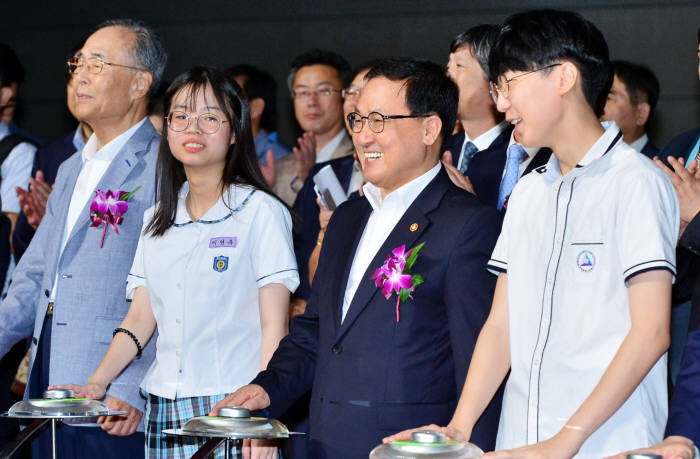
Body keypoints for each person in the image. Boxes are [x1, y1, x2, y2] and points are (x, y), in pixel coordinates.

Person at [386, 10, 677, 458]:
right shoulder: (528, 192)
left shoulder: (636, 182)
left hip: (609, 442)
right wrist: (459, 427)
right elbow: (501, 325)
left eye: (508, 84)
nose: (501, 105)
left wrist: (567, 439)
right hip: (521, 443)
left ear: (563, 77)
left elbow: (653, 331)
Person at [213, 57, 503, 459]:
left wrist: (475, 450)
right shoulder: (348, 216)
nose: (365, 136)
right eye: (358, 121)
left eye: (380, 120)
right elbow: (317, 330)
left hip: (406, 448)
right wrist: (267, 388)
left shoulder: (467, 225)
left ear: (430, 128)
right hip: (325, 440)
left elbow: (481, 357)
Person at [53, 66, 298, 459]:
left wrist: (262, 414)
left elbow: (275, 327)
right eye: (181, 116)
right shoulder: (156, 219)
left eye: (210, 118)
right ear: (166, 129)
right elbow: (138, 320)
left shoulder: (262, 212)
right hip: (163, 407)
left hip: (233, 408)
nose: (193, 129)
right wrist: (97, 383)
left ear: (234, 131)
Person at [0, 19, 166, 458]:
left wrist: (133, 383)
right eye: (78, 64)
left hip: (112, 394)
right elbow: (34, 276)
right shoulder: (71, 167)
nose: (81, 75)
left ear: (139, 84)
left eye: (98, 64)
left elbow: (174, 291)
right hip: (48, 370)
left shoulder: (164, 166)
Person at [442, 26, 550, 210]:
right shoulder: (441, 150)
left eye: (459, 66)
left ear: (494, 79)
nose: (447, 77)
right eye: (448, 67)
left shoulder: (524, 151)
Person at [272, 49, 355, 205]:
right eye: (303, 92)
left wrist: (309, 179)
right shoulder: (279, 169)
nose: (311, 101)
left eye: (324, 91)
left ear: (345, 95)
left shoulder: (360, 160)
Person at [227, 64, 290, 166]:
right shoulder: (220, 154)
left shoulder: (280, 160)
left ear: (255, 108)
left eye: (231, 98)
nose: (220, 106)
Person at [601, 60, 660, 158]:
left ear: (641, 113)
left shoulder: (660, 168)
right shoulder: (584, 162)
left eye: (608, 98)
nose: (596, 104)